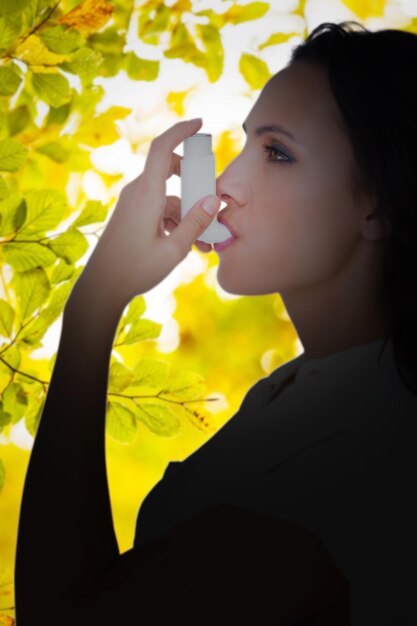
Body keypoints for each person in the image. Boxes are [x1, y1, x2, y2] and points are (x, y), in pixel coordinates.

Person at [14, 19, 417, 626]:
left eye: (277, 153)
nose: (226, 183)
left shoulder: (376, 450)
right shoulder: (299, 391)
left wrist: (95, 303)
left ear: (379, 204)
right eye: (245, 145)